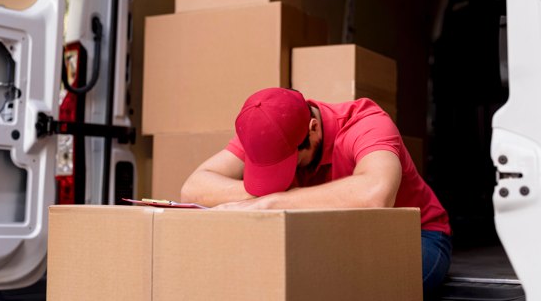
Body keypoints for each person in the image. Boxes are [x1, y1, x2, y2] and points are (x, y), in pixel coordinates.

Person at [181, 87, 451, 297]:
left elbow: (375, 194)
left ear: (313, 129)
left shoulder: (366, 124)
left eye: (288, 163)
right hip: (335, 233)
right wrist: (264, 196)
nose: (276, 180)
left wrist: (273, 201)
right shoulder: (263, 128)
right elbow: (193, 189)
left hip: (416, 235)